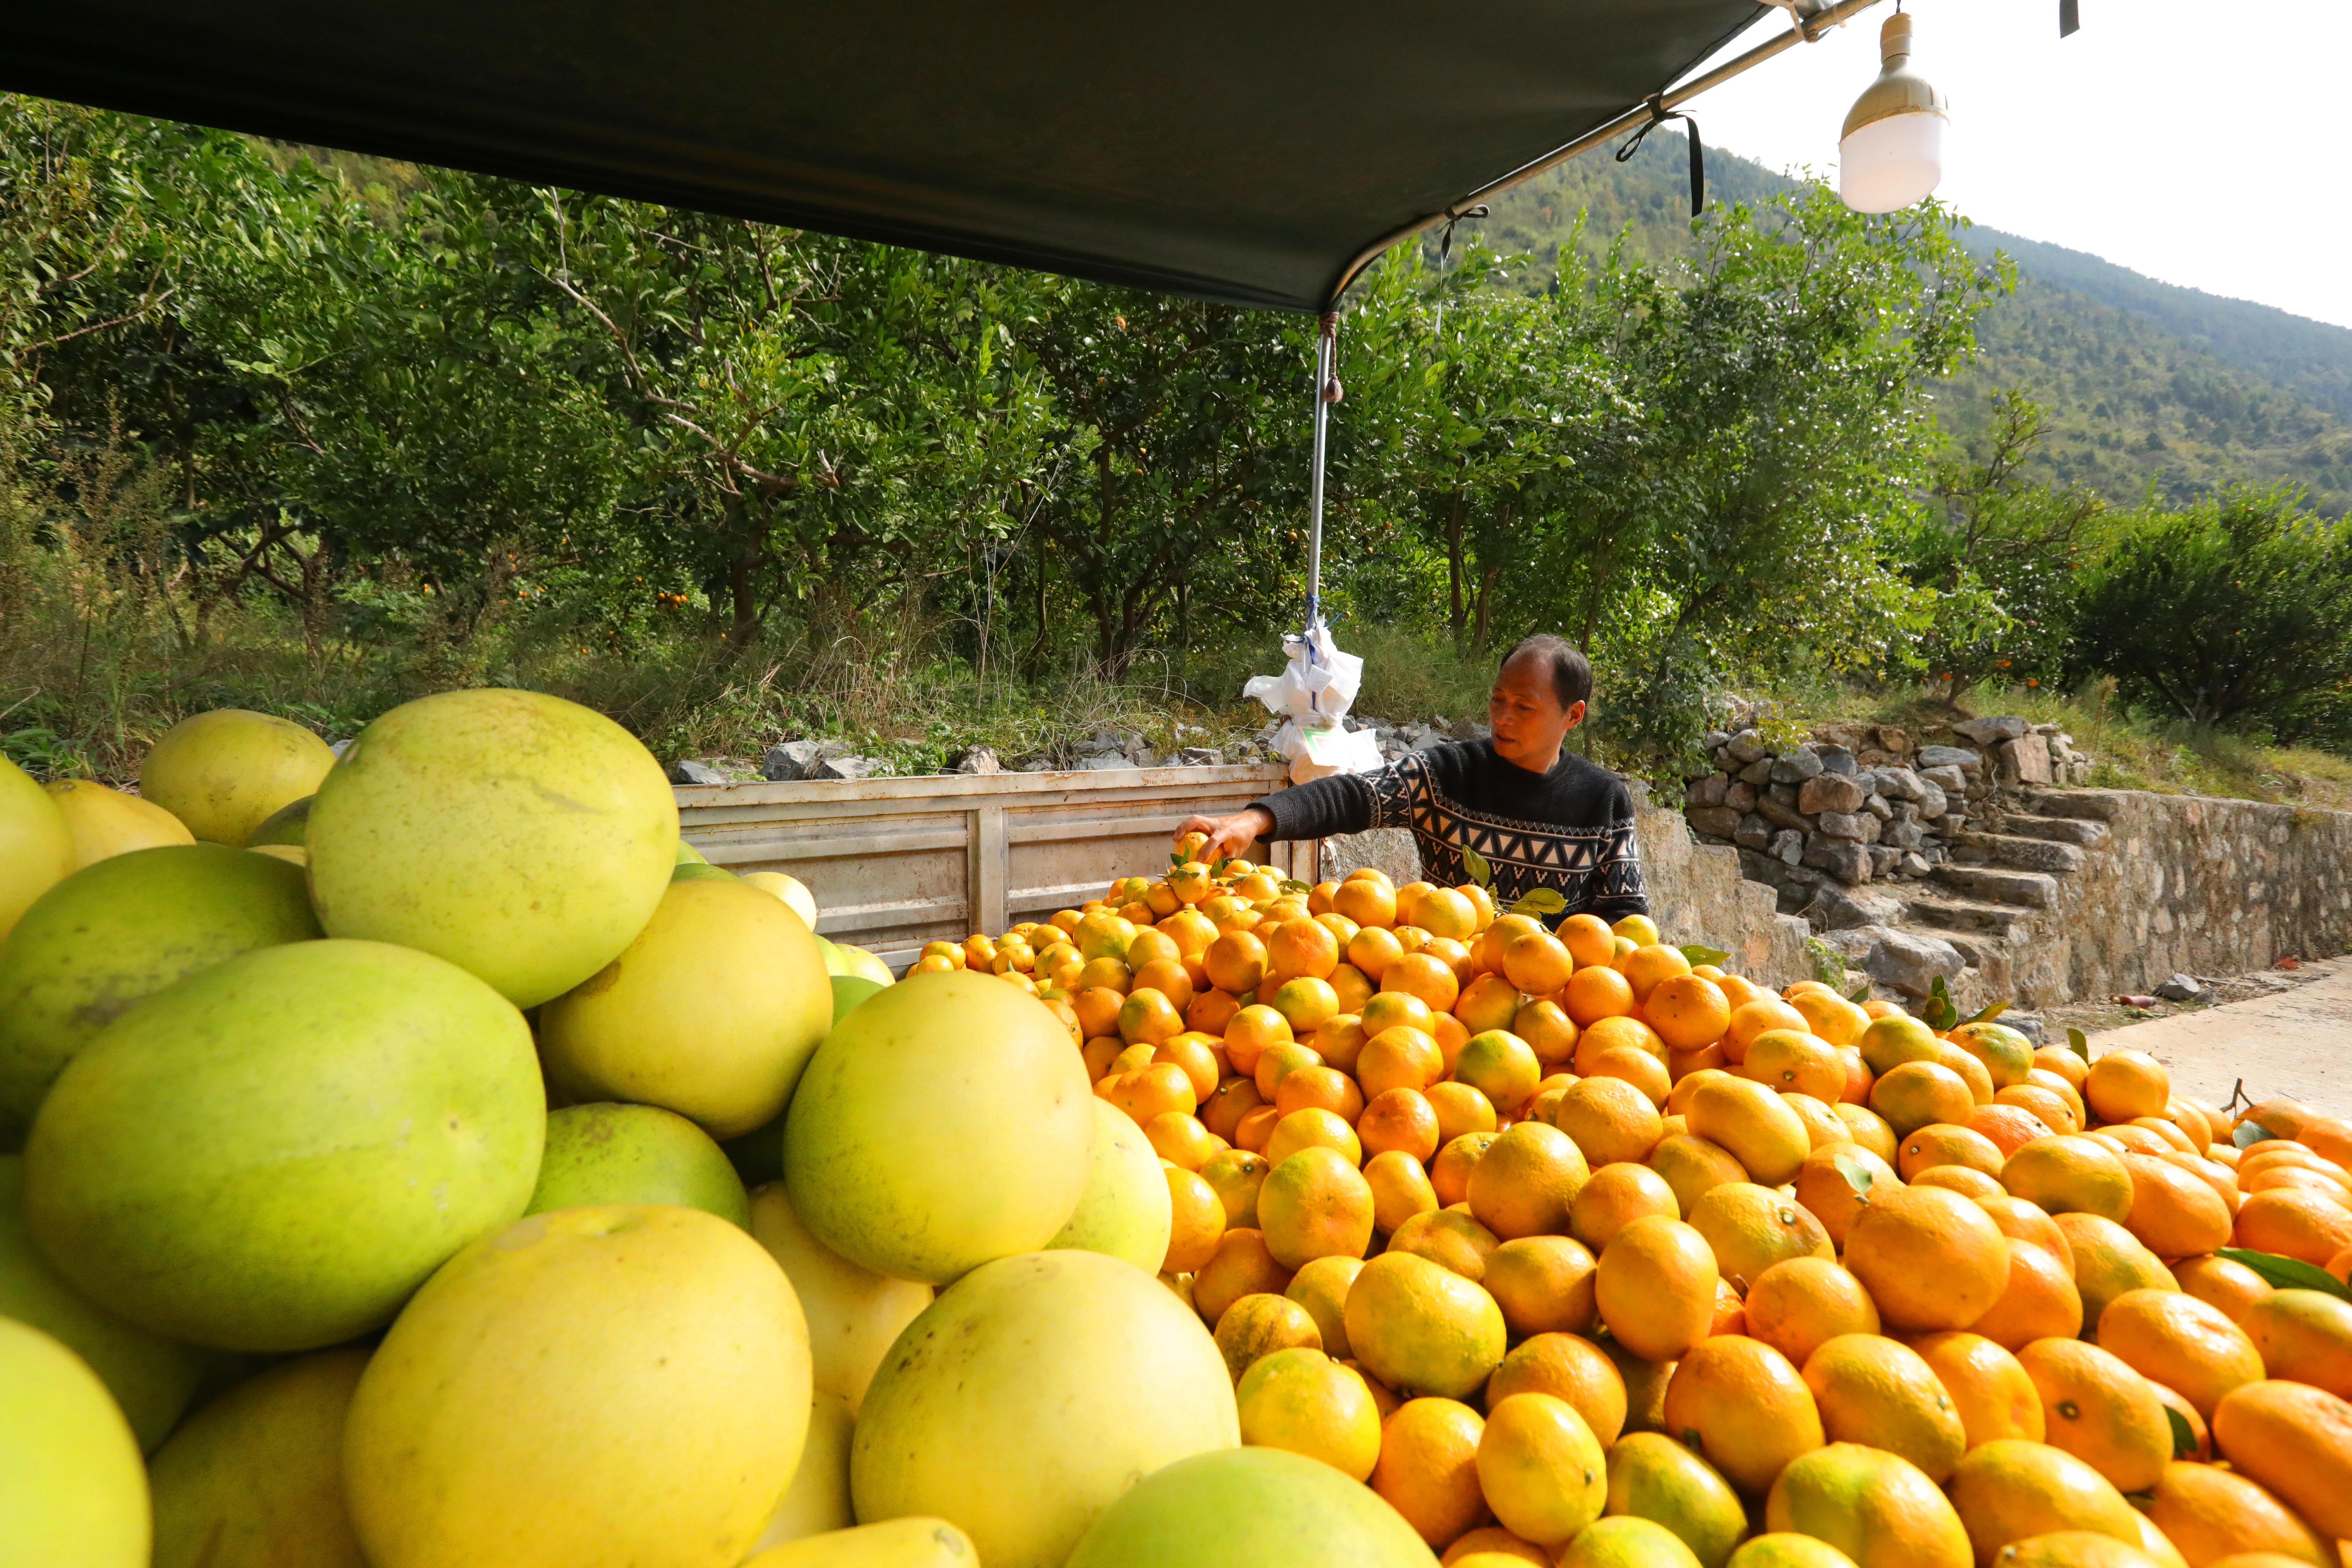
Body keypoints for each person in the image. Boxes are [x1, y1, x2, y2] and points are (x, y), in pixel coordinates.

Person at [1176, 634, 1648, 923]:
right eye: (1497, 700)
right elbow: (1351, 796)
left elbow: (1624, 918)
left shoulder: (1602, 800)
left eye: (1524, 707)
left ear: (1574, 715)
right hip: (1440, 993)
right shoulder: (1449, 773)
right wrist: (1253, 821)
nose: (1503, 717)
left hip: (1554, 1013)